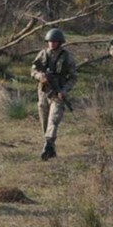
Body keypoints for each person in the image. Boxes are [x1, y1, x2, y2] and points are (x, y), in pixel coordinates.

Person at [30, 28, 77, 160]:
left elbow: (73, 77)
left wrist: (64, 90)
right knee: (44, 121)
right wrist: (40, 76)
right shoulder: (42, 54)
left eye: (54, 41)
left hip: (58, 93)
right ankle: (51, 148)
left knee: (53, 119)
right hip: (43, 91)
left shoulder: (67, 57)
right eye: (50, 41)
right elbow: (33, 70)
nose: (52, 43)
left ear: (60, 42)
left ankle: (48, 145)